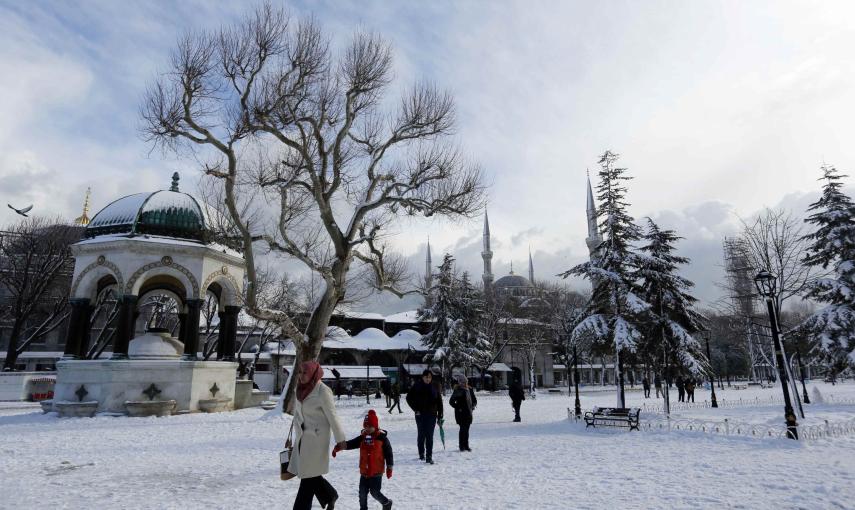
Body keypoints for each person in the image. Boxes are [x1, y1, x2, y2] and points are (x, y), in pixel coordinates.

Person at [288, 361, 347, 510]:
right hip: (302, 438)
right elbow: (297, 414)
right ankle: (329, 495)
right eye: (299, 372)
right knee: (310, 475)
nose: (301, 376)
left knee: (307, 477)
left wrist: (341, 439)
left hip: (316, 440)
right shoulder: (299, 389)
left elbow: (332, 416)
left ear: (314, 373)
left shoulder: (322, 390)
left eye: (304, 373)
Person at [333, 410, 394, 510]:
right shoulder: (363, 438)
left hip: (376, 472)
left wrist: (389, 467)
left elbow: (389, 454)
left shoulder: (382, 439)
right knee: (362, 493)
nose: (367, 429)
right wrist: (339, 447)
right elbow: (350, 444)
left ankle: (386, 503)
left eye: (370, 426)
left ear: (376, 426)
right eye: (366, 426)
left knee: (375, 492)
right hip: (364, 471)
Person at [405, 369, 443, 464]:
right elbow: (408, 398)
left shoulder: (435, 386)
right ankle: (421, 453)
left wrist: (440, 415)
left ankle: (429, 456)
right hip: (420, 415)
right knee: (421, 435)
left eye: (430, 377)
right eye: (426, 377)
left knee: (429, 436)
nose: (428, 379)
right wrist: (415, 409)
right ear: (423, 377)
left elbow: (439, 401)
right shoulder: (417, 386)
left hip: (432, 414)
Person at [449, 375, 477, 451]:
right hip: (461, 414)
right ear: (460, 382)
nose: (464, 383)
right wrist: (458, 407)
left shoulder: (469, 389)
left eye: (465, 382)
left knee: (467, 429)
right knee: (463, 429)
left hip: (468, 412)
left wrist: (473, 405)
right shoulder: (458, 390)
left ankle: (466, 445)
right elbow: (451, 401)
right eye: (462, 382)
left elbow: (474, 400)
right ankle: (462, 446)